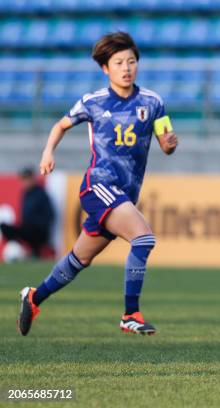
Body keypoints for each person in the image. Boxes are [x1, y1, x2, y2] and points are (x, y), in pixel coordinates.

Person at [17, 32, 178, 336]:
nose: (126, 67)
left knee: (79, 259)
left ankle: (34, 297)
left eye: (131, 61)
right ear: (106, 68)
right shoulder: (93, 102)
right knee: (143, 239)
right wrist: (48, 151)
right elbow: (61, 124)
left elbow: (166, 142)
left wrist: (170, 143)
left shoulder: (153, 102)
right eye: (119, 62)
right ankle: (130, 313)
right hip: (98, 186)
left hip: (124, 193)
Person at [1, 167, 54, 258]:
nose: (25, 182)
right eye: (23, 179)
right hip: (27, 229)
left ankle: (34, 252)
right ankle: (24, 251)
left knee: (31, 230)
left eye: (27, 179)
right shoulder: (25, 194)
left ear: (33, 179)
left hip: (39, 231)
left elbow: (50, 215)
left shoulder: (41, 194)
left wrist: (37, 223)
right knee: (4, 227)